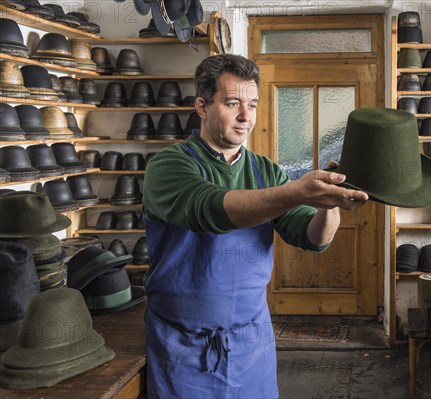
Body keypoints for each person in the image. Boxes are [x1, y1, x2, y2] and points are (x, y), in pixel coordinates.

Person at [142, 53, 369, 398]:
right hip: (184, 345)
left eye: (252, 104)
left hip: (251, 340)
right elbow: (209, 209)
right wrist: (295, 191)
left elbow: (311, 237)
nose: (246, 116)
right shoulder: (168, 167)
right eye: (232, 103)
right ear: (202, 107)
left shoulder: (266, 171)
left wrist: (330, 204)